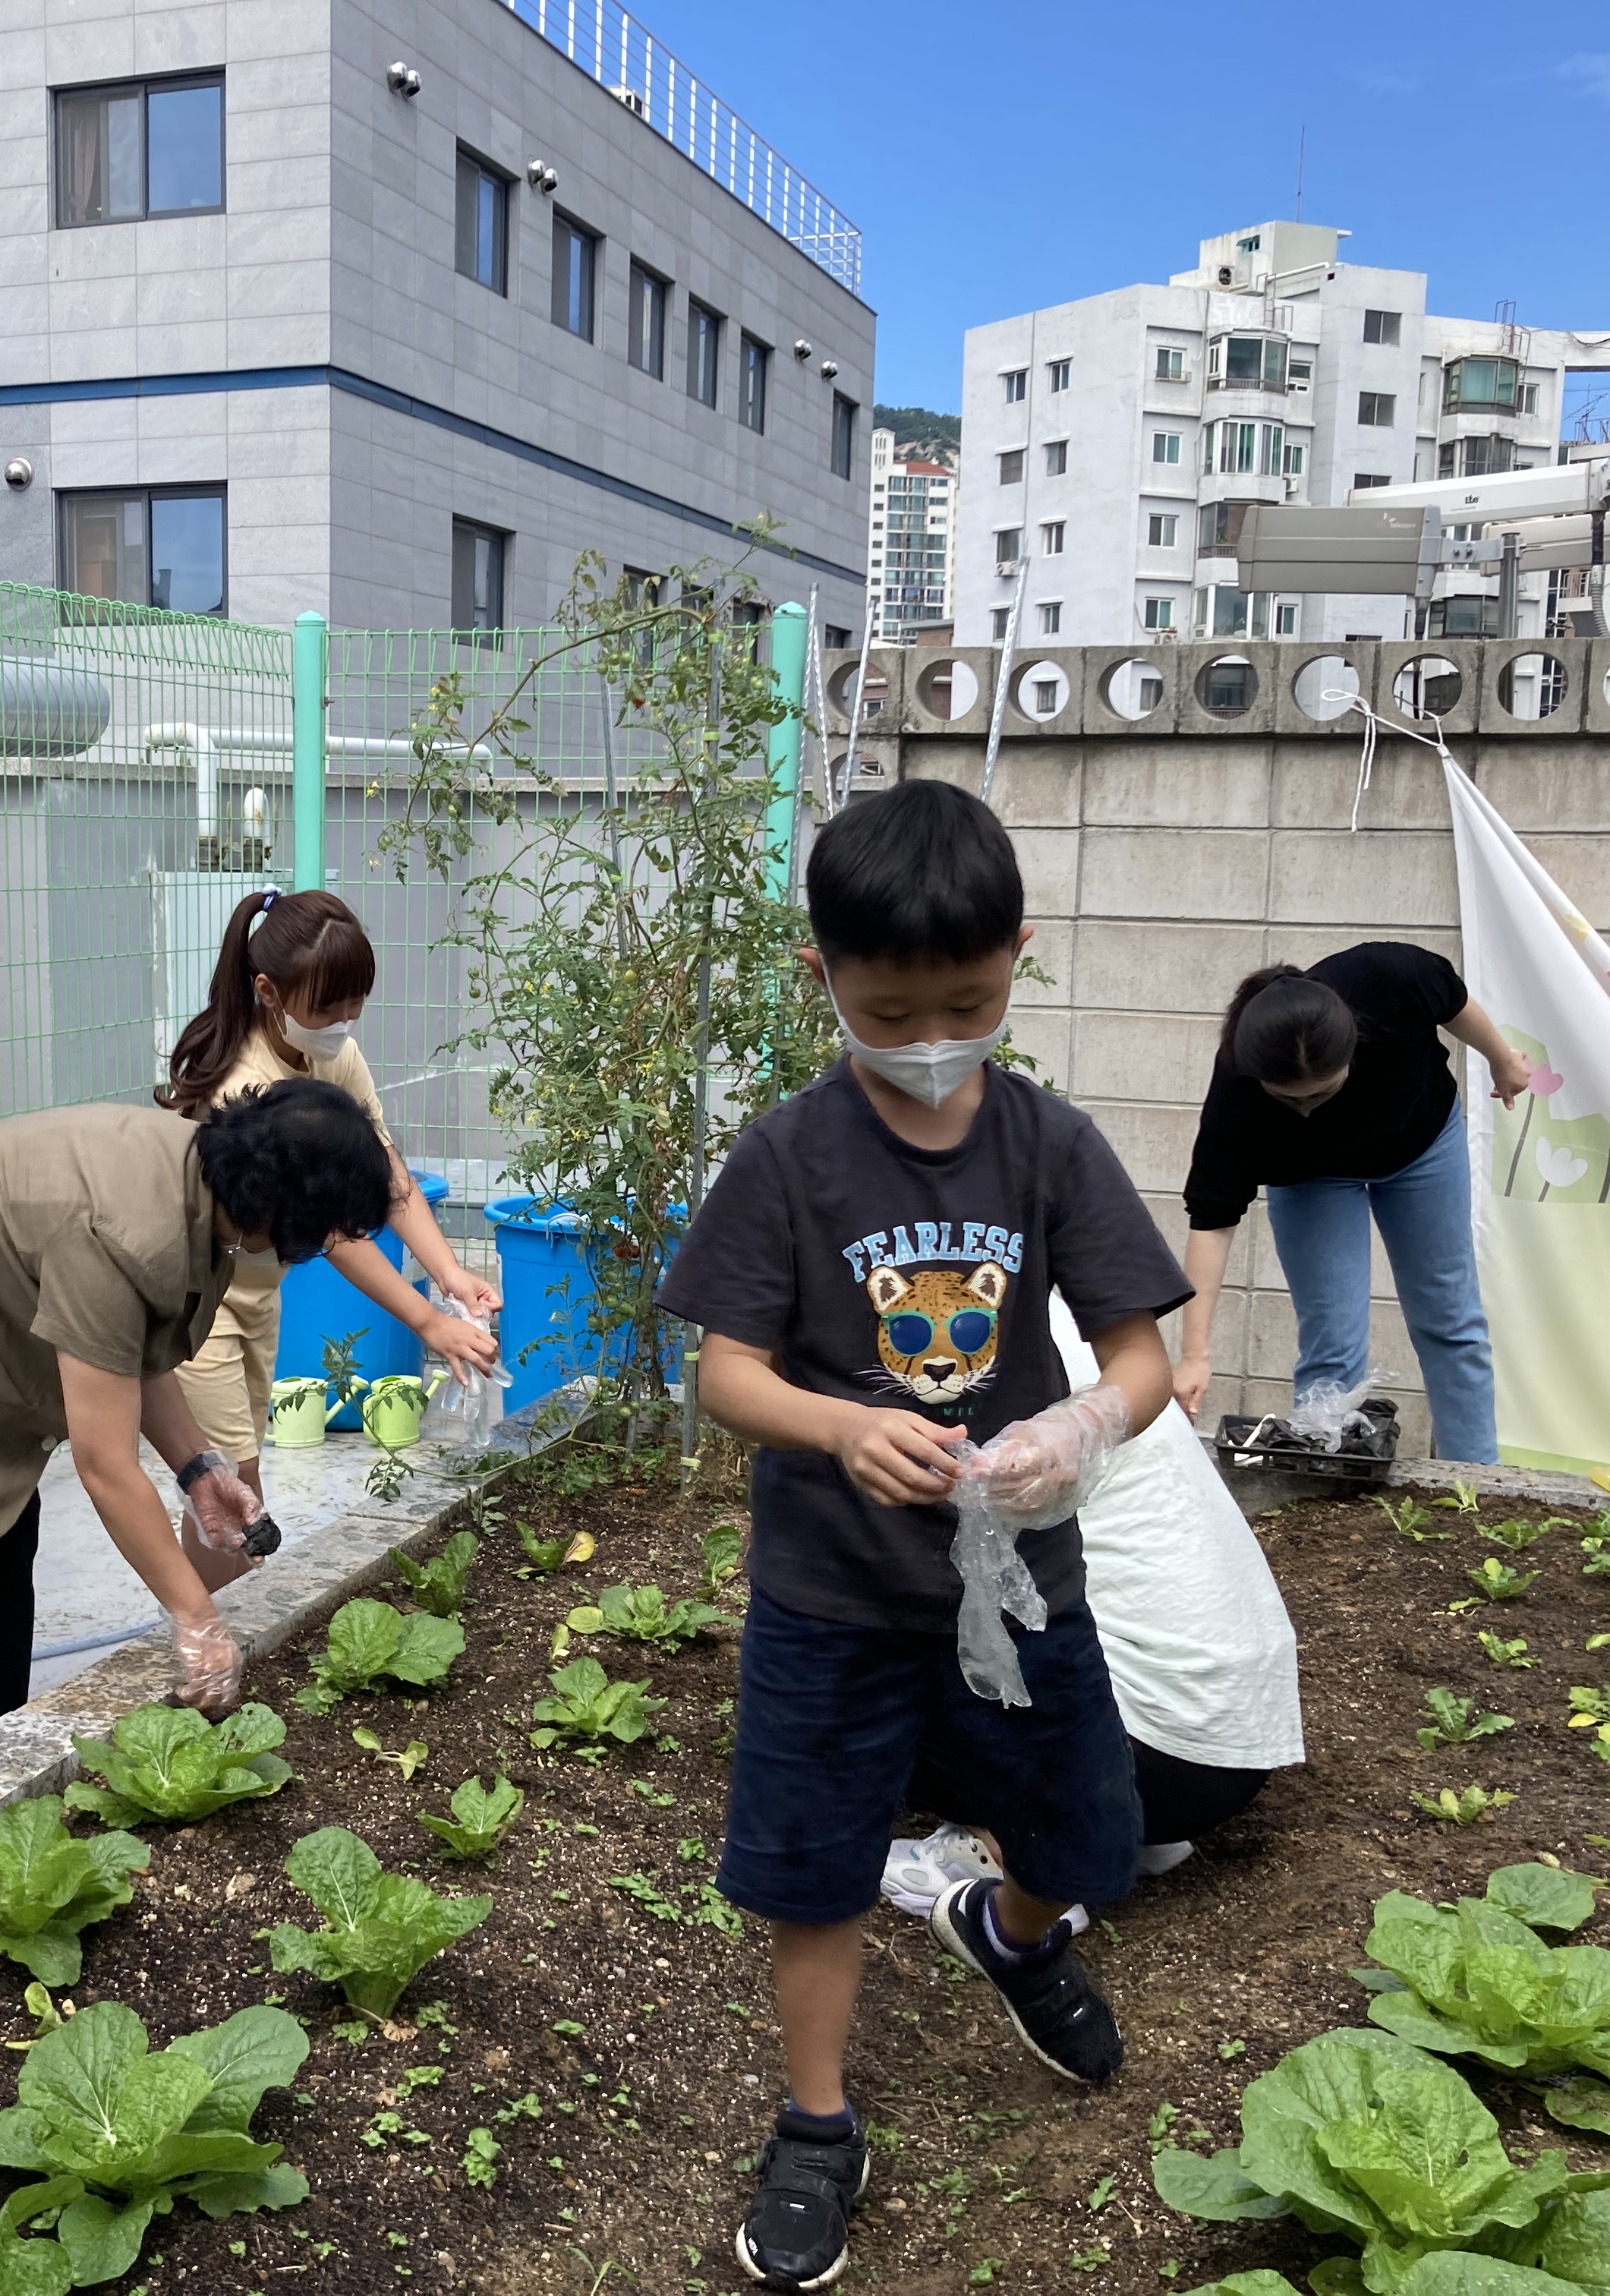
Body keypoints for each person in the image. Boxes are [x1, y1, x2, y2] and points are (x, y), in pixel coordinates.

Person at [657, 777, 1190, 2295]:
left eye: (967, 1002)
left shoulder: (1048, 1145)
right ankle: (816, 2124)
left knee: (1087, 1836)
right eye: (890, 1012)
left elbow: (1142, 1355)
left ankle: (1012, 1934)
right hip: (828, 1596)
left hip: (1014, 1588)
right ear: (822, 976)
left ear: (1018, 956)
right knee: (812, 1869)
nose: (932, 1036)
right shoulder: (788, 1157)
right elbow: (725, 1371)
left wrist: (1080, 1425)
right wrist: (839, 1426)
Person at [0, 1077, 395, 1791]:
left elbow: (126, 1345)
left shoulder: (205, 1178)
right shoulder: (122, 1228)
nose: (307, 1252)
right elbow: (106, 1466)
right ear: (276, 1208)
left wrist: (198, 1469)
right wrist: (197, 1619)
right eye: (313, 1235)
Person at [882, 1298, 1305, 1922]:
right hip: (1224, 1742)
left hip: (1139, 1745)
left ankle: (1008, 1852)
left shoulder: (968, 1346)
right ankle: (1117, 1831)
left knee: (864, 1645)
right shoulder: (1072, 1323)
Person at [157, 888, 500, 1585]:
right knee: (234, 1487)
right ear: (268, 991)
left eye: (355, 1002)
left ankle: (216, 1620)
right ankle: (215, 1630)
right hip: (198, 1302)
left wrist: (449, 1274)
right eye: (329, 1006)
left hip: (257, 1291)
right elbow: (335, 1231)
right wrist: (427, 1320)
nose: (346, 1021)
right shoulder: (242, 1086)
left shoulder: (332, 1055)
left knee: (234, 1477)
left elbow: (386, 1172)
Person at [1172, 946, 1531, 1466]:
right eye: (1287, 1099)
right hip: (1312, 1177)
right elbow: (1212, 1219)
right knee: (1332, 1346)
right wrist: (1194, 1355)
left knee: (1451, 1323)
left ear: (1355, 1048)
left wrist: (1502, 1061)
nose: (1305, 1110)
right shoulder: (1237, 1090)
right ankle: (1324, 1482)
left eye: (1320, 1094)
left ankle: (1473, 1480)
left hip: (1420, 1146)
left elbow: (1453, 1001)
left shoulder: (1387, 979)